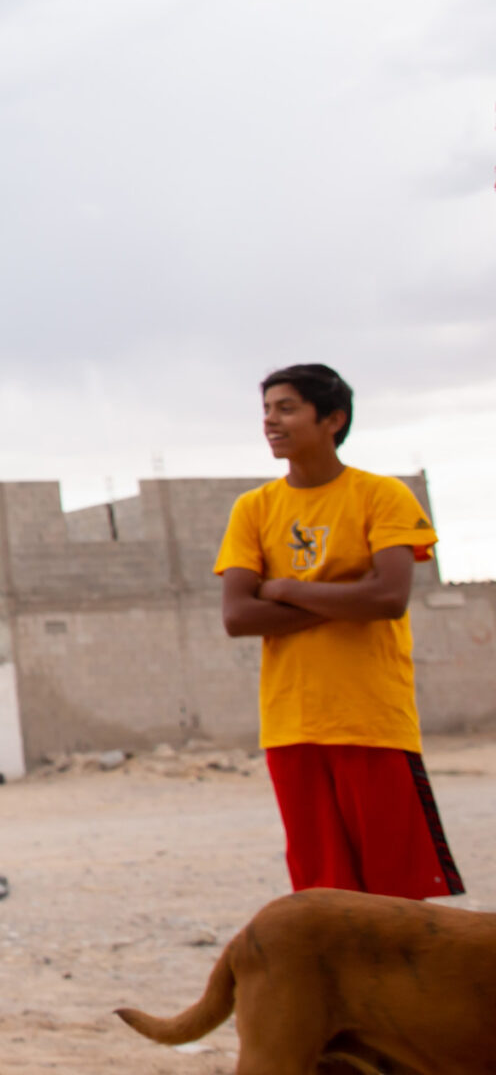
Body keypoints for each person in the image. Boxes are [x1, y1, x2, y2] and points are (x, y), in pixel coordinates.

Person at [217, 363, 463, 900]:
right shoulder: (253, 510)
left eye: (286, 408)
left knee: (398, 894)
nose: (270, 422)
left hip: (373, 721)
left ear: (333, 419)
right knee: (324, 897)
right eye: (266, 411)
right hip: (292, 728)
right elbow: (238, 616)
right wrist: (345, 598)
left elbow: (389, 599)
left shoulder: (383, 496)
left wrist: (285, 589)